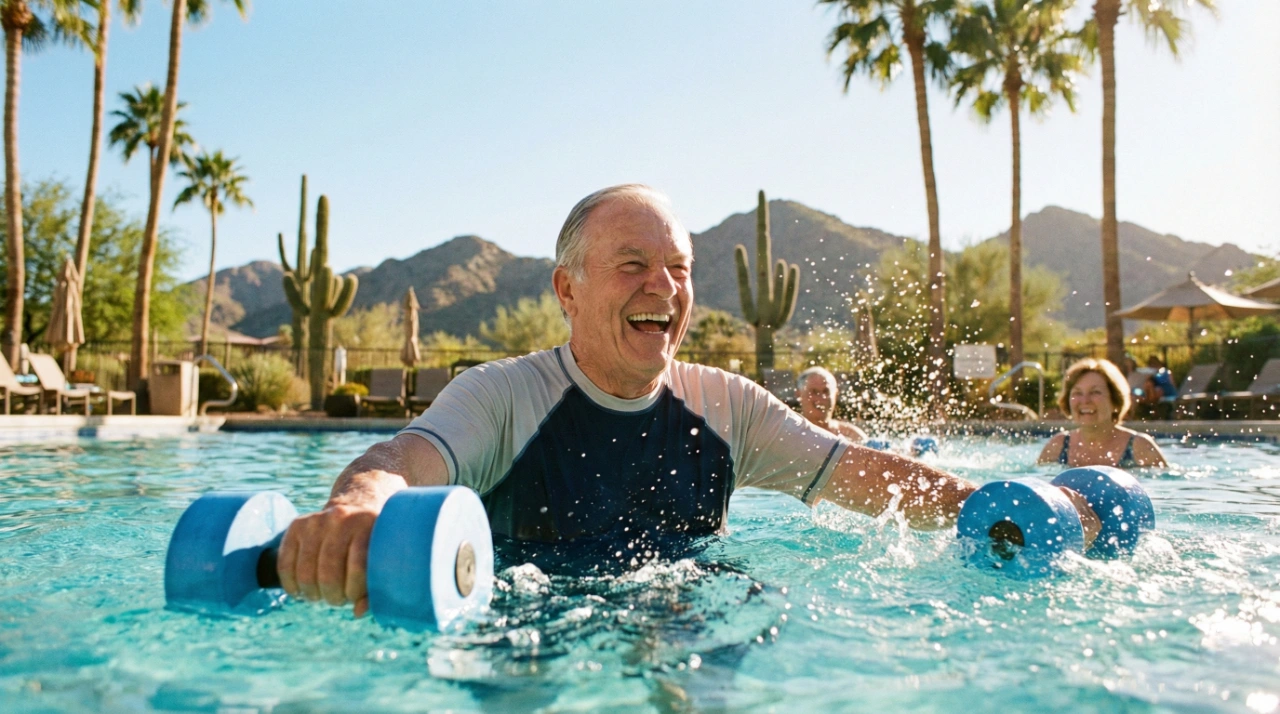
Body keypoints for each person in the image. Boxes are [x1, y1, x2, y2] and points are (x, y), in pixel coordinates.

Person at [277, 184, 979, 617]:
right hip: (528, 621)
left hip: (688, 612)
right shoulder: (501, 395)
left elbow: (866, 476)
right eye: (634, 266)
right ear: (568, 291)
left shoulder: (728, 405)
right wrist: (357, 508)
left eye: (678, 269)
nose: (665, 288)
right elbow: (400, 460)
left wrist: (987, 505)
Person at [1038, 358, 1167, 469]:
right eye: (1077, 393)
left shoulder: (1140, 447)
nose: (1085, 400)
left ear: (1115, 400)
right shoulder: (1057, 446)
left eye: (1095, 392)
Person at [795, 366, 867, 443]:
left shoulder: (852, 436)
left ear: (835, 394)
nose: (821, 397)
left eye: (826, 391)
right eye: (814, 392)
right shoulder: (790, 434)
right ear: (799, 395)